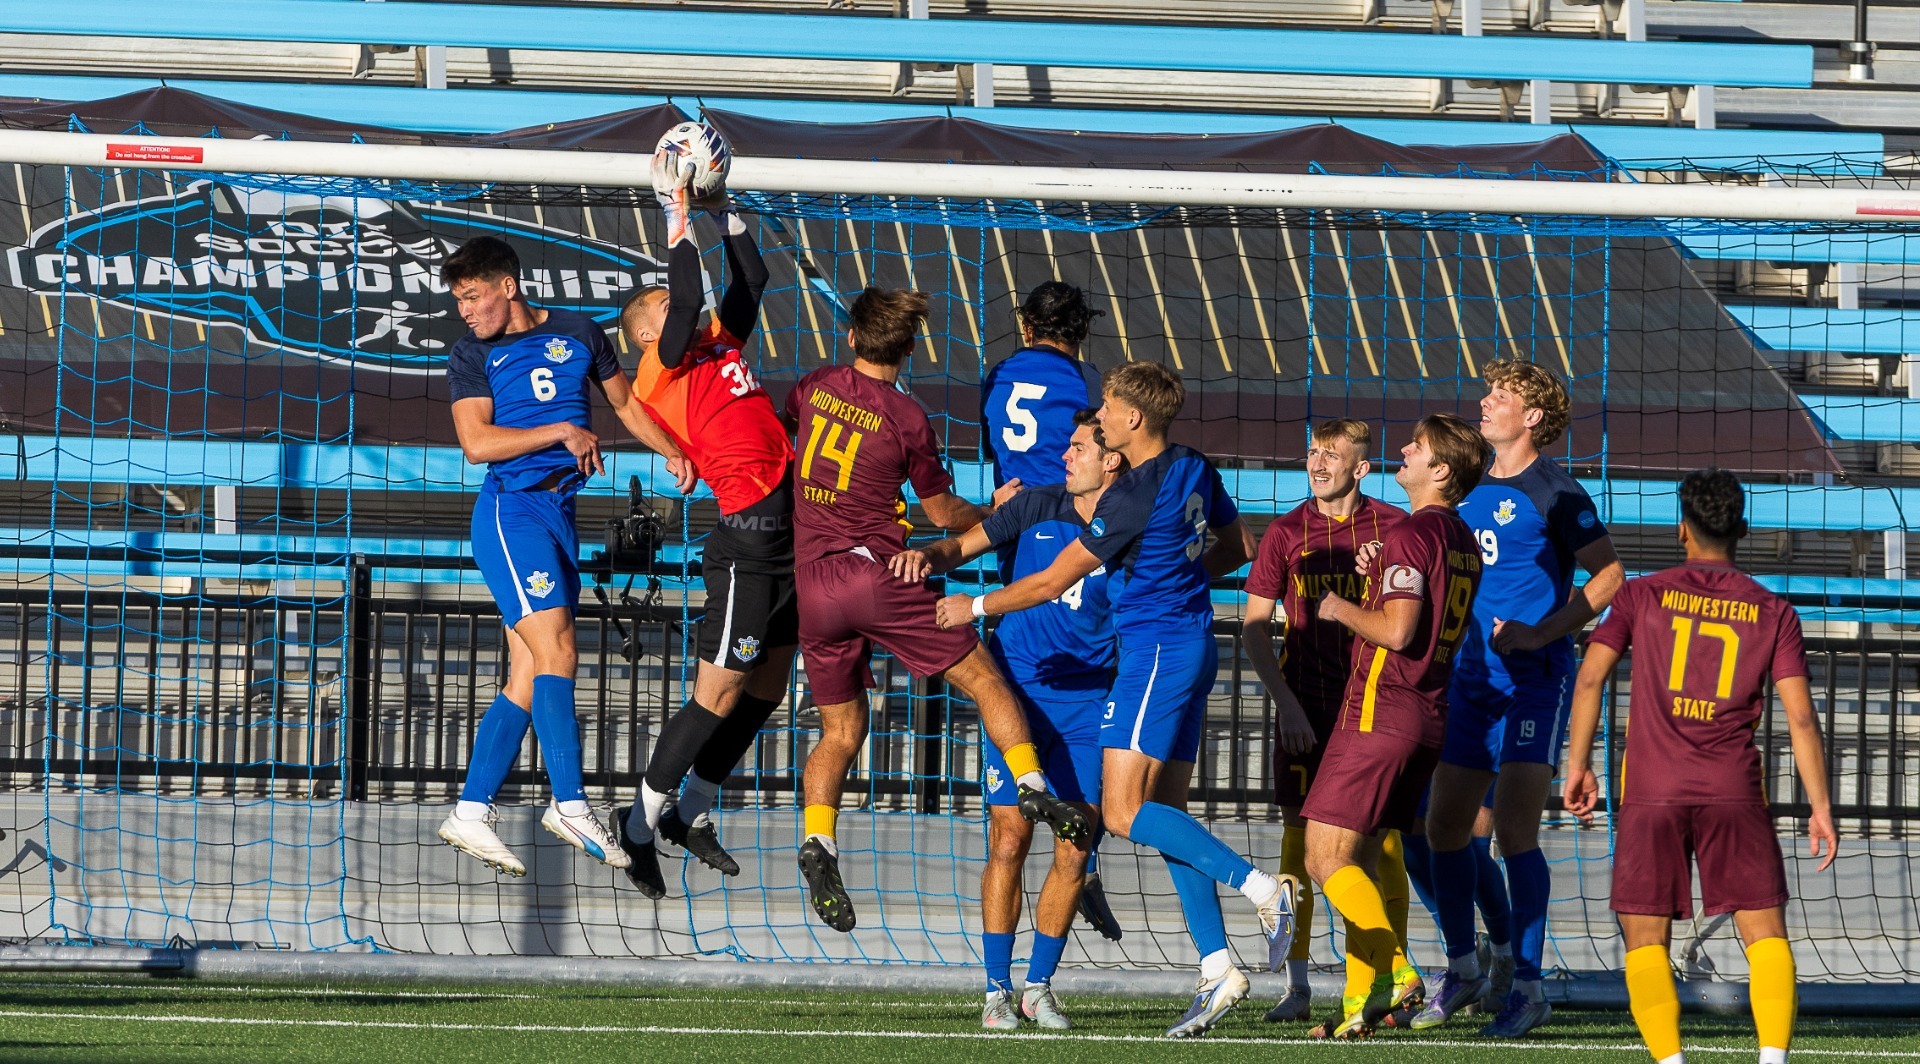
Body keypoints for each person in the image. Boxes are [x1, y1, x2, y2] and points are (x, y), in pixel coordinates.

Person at [935, 361, 1293, 1040]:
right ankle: (1217, 967)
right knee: (1163, 811)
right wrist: (1182, 579)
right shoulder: (1188, 461)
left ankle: (1261, 890)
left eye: (1103, 410)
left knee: (1124, 813)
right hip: (1181, 646)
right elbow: (1235, 542)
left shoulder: (1130, 500)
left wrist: (971, 605)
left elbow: (1049, 583)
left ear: (1130, 423)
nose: (1094, 417)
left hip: (1152, 654)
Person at [787, 286, 1089, 934]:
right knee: (986, 682)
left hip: (811, 583)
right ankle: (1035, 789)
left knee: (840, 732)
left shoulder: (812, 387)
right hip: (877, 573)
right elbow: (942, 516)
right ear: (911, 346)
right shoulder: (904, 418)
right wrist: (994, 507)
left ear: (848, 338)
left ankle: (819, 840)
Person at [434, 235, 697, 877]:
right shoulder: (471, 354)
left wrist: (670, 450)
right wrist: (558, 430)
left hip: (559, 513)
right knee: (560, 652)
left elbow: (627, 404)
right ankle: (570, 803)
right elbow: (475, 443)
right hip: (510, 512)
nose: (465, 311)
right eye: (459, 301)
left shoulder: (581, 330)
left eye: (472, 297)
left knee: (527, 673)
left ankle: (470, 811)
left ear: (509, 286)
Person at [1563, 468, 1836, 1064]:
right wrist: (1820, 807)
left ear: (1680, 529)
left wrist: (1577, 765)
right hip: (1734, 790)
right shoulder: (1774, 610)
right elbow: (1802, 720)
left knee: (1644, 939)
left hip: (1652, 791)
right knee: (1765, 934)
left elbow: (1589, 679)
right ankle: (1771, 1059)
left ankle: (1671, 1060)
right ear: (1742, 528)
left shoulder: (1640, 594)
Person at [1412, 359, 1626, 1037]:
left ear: (1531, 417)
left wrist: (1541, 631)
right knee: (1443, 829)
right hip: (1469, 680)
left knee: (1512, 834)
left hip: (1531, 683)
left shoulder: (1556, 491)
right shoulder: (1467, 483)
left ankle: (1529, 987)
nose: (1485, 402)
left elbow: (1612, 575)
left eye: (1499, 396)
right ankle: (1465, 966)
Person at [891, 410, 1122, 1031]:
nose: (1065, 456)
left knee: (1077, 844)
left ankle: (1038, 988)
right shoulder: (1035, 505)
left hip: (1088, 702)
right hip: (1016, 697)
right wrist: (926, 559)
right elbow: (961, 544)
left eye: (1078, 448)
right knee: (1009, 838)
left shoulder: (1129, 521)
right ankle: (996, 990)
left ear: (1112, 459)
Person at [610, 147, 797, 896]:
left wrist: (724, 208)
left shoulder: (718, 345)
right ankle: (634, 829)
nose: (676, 300)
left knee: (768, 686)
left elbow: (752, 277)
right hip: (748, 537)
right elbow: (685, 299)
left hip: (791, 530)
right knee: (716, 692)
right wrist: (677, 211)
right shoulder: (661, 367)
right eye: (659, 304)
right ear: (650, 334)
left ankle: (690, 809)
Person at [1298, 413, 1488, 1040]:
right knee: (1358, 860)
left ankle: (1398, 969)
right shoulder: (1460, 536)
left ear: (1439, 470)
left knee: (1323, 858)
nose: (1402, 449)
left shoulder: (1412, 533)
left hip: (1382, 709)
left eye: (1418, 446)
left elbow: (1400, 632)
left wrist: (1338, 606)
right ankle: (1361, 1002)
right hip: (1426, 716)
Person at [1240, 419, 1416, 1022]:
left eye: (1333, 455)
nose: (1318, 463)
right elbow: (1255, 627)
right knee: (1299, 845)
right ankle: (1296, 983)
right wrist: (1285, 703)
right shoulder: (1287, 531)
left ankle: (1379, 981)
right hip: (1307, 709)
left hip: (1373, 707)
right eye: (1314, 451)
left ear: (1361, 468)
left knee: (1377, 845)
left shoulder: (1396, 529)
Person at [978, 280, 1121, 942]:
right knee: (1078, 624)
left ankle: (1074, 856)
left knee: (1020, 628)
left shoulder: (997, 376)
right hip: (1073, 517)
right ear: (1080, 331)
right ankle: (1080, 859)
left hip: (1018, 522)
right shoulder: (1086, 380)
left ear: (1025, 325)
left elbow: (996, 456)